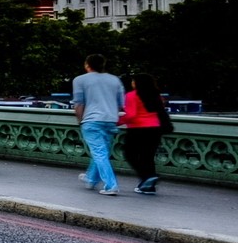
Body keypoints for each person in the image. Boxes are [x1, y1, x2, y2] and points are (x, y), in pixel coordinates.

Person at [71, 53, 125, 196]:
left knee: (99, 153)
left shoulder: (80, 80)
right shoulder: (115, 80)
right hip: (110, 120)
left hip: (91, 120)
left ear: (87, 65)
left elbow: (79, 104)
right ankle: (91, 179)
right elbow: (120, 104)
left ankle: (111, 185)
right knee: (102, 152)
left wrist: (80, 120)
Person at [121, 72, 170, 195]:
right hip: (155, 129)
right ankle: (149, 185)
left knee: (130, 154)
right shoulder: (156, 95)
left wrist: (117, 122)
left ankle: (146, 177)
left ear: (137, 83)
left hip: (137, 129)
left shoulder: (131, 95)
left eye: (133, 80)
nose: (132, 83)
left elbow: (131, 115)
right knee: (147, 157)